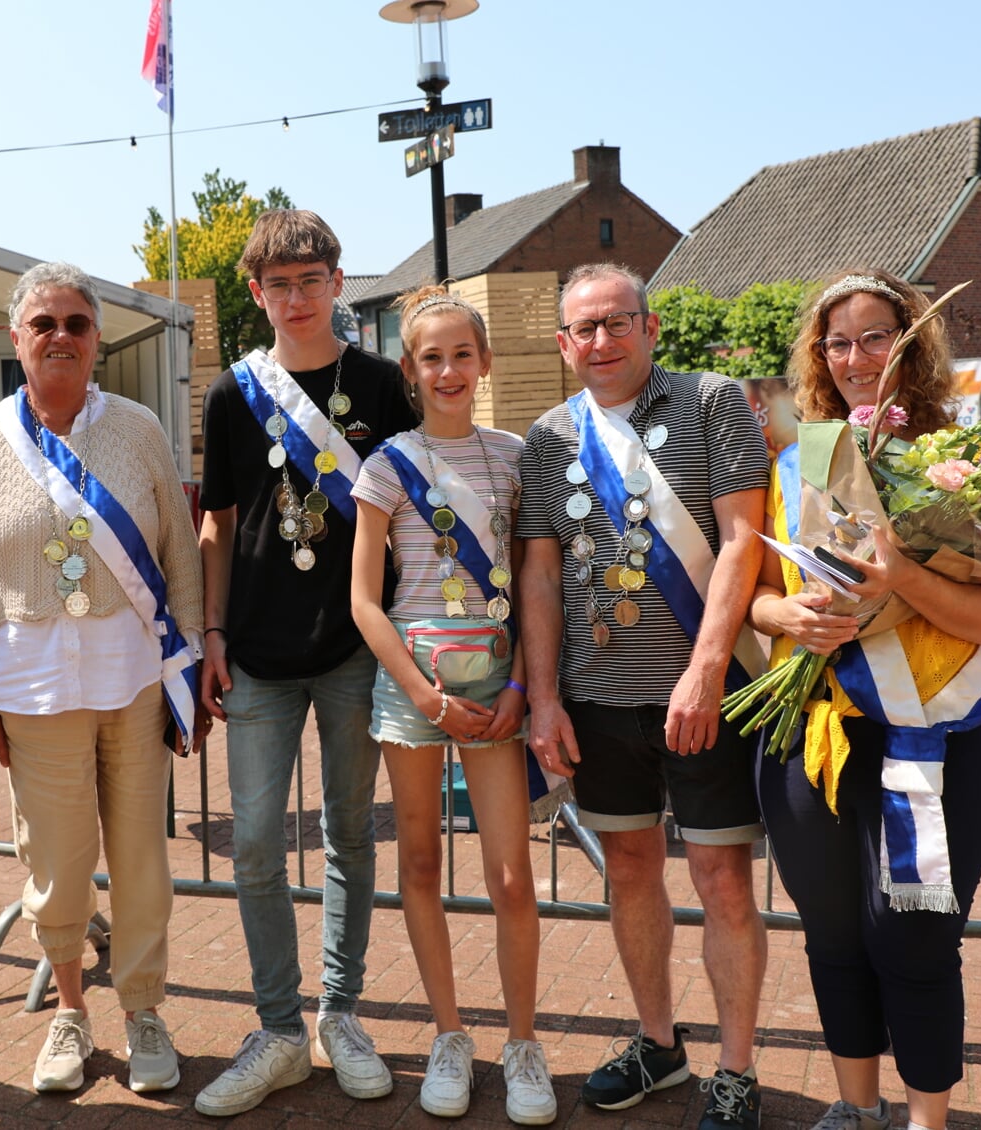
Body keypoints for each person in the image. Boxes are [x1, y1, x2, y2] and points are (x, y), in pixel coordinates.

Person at [750, 268, 981, 1130]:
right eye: (839, 341)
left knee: (919, 939)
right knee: (834, 937)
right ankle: (855, 1110)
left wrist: (900, 574)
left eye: (875, 336)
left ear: (910, 342)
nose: (857, 356)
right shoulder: (800, 459)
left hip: (936, 749)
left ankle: (926, 1122)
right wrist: (785, 613)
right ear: (818, 356)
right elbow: (755, 591)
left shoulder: (962, 464)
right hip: (818, 740)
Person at [0, 262, 204, 1096]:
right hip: (30, 691)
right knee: (54, 862)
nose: (60, 336)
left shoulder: (139, 430)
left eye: (77, 324)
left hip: (133, 683)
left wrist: (189, 670)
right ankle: (68, 1011)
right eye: (43, 323)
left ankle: (144, 1011)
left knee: (140, 860)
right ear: (15, 337)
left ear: (96, 341)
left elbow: (181, 558)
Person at [517, 262, 769, 1128]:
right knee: (628, 869)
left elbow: (742, 542)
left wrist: (705, 668)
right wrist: (544, 699)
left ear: (650, 327)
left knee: (721, 878)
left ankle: (735, 1070)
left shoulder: (711, 402)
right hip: (596, 700)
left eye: (617, 321)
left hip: (708, 694)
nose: (601, 340)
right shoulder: (550, 436)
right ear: (562, 344)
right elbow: (541, 575)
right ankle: (658, 1045)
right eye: (583, 329)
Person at [193, 209, 414, 1117]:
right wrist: (209, 633)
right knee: (251, 844)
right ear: (257, 292)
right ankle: (280, 1028)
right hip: (255, 651)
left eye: (309, 279)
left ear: (336, 281)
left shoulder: (382, 384)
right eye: (277, 284)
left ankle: (343, 1013)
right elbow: (215, 520)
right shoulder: (230, 391)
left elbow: (413, 506)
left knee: (352, 838)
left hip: (354, 650)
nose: (295, 297)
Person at [348, 286, 554, 1125]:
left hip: (497, 682)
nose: (447, 370)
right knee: (422, 865)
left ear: (485, 362)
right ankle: (447, 1034)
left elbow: (534, 580)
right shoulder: (385, 465)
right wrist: (424, 694)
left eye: (461, 354)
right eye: (430, 357)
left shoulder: (514, 456)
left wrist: (516, 688)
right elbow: (366, 600)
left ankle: (524, 1043)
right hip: (412, 685)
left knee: (512, 876)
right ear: (410, 370)